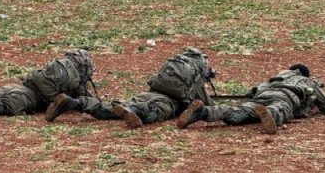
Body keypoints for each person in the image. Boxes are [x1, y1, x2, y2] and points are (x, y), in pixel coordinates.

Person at [46, 48, 213, 128]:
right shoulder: (196, 74)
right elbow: (204, 102)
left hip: (150, 93)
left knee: (112, 107)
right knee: (152, 112)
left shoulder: (177, 63)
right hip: (169, 102)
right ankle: (131, 109)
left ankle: (75, 103)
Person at [176, 63, 325, 134]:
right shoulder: (307, 81)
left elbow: (252, 92)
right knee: (279, 109)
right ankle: (269, 114)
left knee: (238, 113)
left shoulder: (275, 78)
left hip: (261, 96)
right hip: (285, 97)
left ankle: (203, 112)